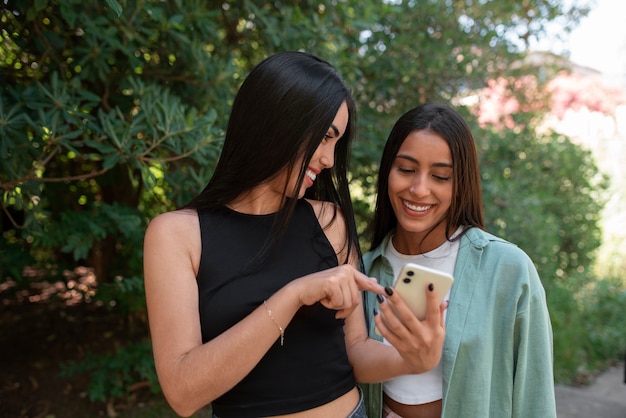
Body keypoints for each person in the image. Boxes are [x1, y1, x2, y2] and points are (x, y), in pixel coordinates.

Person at [143, 51, 446, 418]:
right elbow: (183, 393)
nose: (330, 160)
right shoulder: (177, 234)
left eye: (337, 143)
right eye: (325, 137)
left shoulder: (330, 220)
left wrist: (409, 360)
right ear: (279, 122)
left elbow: (355, 351)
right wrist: (294, 295)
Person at [361, 102, 556, 417]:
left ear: (461, 183)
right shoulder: (365, 270)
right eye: (407, 169)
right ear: (388, 171)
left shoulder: (508, 269)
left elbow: (535, 398)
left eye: (440, 176)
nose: (419, 189)